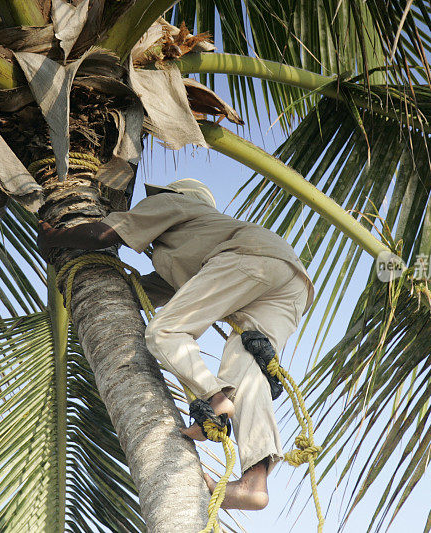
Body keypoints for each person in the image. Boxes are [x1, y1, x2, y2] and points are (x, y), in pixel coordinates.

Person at [37, 178, 314, 510]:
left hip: (250, 258)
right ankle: (254, 484)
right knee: (247, 372)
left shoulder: (173, 203)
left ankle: (215, 397)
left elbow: (104, 234)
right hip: (291, 286)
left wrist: (55, 237)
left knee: (165, 333)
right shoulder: (191, 245)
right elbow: (153, 291)